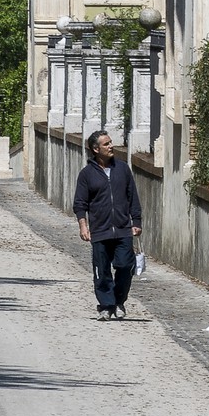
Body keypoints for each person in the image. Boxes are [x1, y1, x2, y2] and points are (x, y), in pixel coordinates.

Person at [73, 130, 142, 321]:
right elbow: (80, 203)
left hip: (122, 229)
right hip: (100, 230)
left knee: (125, 265)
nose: (111, 146)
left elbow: (132, 197)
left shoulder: (123, 169)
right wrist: (83, 226)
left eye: (111, 143)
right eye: (106, 144)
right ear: (96, 149)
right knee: (101, 270)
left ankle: (119, 301)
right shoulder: (87, 174)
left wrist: (136, 221)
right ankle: (106, 305)